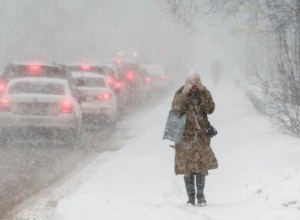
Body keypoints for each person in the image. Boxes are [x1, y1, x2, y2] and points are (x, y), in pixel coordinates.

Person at [171, 71, 218, 206]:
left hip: (200, 137)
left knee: (201, 167)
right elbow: (176, 109)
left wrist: (203, 91)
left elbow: (210, 108)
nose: (194, 84)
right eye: (191, 81)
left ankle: (201, 196)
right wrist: (184, 94)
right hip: (184, 137)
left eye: (196, 81)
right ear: (186, 82)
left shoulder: (202, 93)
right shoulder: (180, 93)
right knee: (187, 169)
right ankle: (191, 198)